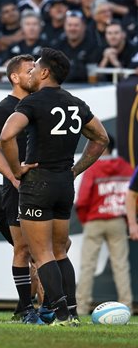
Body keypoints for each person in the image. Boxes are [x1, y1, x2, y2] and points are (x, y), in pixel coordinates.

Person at [1, 47, 109, 326]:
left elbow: (7, 135)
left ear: (45, 72)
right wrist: (76, 169)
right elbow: (101, 138)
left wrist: (16, 169)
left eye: (35, 67)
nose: (32, 72)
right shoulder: (75, 103)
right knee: (60, 250)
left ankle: (60, 315)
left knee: (42, 253)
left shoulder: (34, 102)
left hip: (38, 182)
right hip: (64, 182)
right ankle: (71, 313)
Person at [0, 54, 41, 323]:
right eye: (30, 70)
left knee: (54, 246)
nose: (36, 74)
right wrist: (14, 177)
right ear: (15, 78)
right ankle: (26, 306)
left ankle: (47, 306)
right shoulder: (2, 110)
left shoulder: (40, 105)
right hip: (17, 188)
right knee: (23, 249)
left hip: (43, 186)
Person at [76, 135, 134, 315]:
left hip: (94, 221)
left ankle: (81, 308)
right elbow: (134, 196)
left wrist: (86, 220)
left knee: (87, 266)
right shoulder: (125, 168)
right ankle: (127, 307)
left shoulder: (92, 168)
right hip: (117, 221)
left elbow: (83, 199)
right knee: (121, 266)